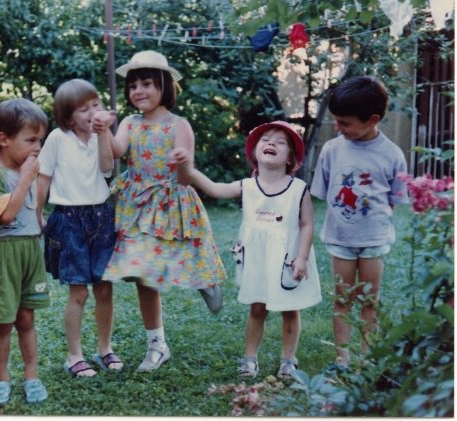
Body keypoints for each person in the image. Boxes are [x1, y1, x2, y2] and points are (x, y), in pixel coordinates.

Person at [92, 50, 226, 373]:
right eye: (133, 86)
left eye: (146, 84)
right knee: (143, 273)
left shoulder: (179, 125)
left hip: (171, 201)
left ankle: (205, 281)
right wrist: (102, 131)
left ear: (164, 85)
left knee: (186, 254)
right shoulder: (129, 123)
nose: (138, 91)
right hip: (137, 204)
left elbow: (186, 178)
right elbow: (115, 153)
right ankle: (157, 345)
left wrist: (182, 163)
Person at [171, 120, 322, 379]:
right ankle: (250, 359)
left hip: (287, 259)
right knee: (257, 309)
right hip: (258, 259)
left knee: (290, 309)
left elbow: (307, 224)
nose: (271, 143)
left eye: (280, 142)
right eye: (265, 140)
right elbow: (215, 189)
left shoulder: (298, 189)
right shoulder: (247, 186)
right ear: (254, 152)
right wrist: (189, 171)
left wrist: (302, 258)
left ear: (290, 158)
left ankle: (288, 360)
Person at [310, 76, 408, 367]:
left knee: (369, 299)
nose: (337, 128)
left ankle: (367, 358)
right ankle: (342, 357)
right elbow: (325, 192)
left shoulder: (392, 154)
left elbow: (393, 199)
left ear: (373, 119)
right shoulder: (332, 150)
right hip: (340, 238)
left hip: (373, 240)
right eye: (336, 121)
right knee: (342, 298)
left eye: (345, 123)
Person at [36, 79, 122, 378]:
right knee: (79, 292)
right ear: (68, 117)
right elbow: (44, 178)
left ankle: (105, 349)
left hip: (101, 217)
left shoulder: (102, 135)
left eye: (96, 105)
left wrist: (103, 132)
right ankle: (74, 356)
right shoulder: (57, 138)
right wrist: (37, 214)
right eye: (84, 109)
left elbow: (107, 168)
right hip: (68, 219)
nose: (93, 112)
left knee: (104, 289)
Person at [0, 98, 50, 405]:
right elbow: (6, 216)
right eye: (31, 140)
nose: (37, 148)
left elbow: (33, 207)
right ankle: (1, 379)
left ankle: (32, 376)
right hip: (3, 253)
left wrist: (40, 219)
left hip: (30, 250)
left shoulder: (28, 170)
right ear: (4, 139)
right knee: (3, 321)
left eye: (40, 141)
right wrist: (25, 179)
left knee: (26, 317)